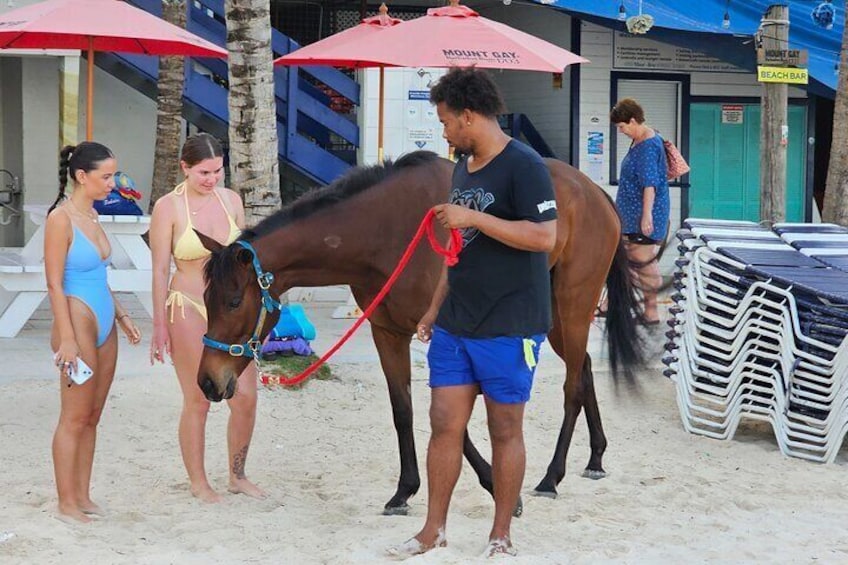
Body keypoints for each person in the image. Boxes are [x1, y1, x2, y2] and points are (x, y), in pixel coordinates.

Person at [389, 67, 557, 559]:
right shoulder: (463, 166)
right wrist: (433, 308)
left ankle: (500, 535)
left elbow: (545, 237)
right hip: (456, 322)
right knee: (444, 422)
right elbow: (458, 247)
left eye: (445, 121)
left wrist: (473, 215)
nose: (442, 131)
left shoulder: (524, 165)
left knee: (505, 429)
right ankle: (432, 530)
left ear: (468, 116)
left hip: (511, 321)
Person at [148, 133, 265, 502]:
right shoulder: (168, 207)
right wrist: (158, 325)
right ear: (184, 168)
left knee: (246, 396)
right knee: (198, 399)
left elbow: (247, 260)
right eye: (203, 172)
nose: (211, 178)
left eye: (217, 171)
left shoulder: (230, 200)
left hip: (230, 310)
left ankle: (237, 474)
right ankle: (198, 482)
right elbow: (158, 270)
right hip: (187, 304)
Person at [45, 142, 142, 523]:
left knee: (93, 415)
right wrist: (66, 337)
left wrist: (121, 314)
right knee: (73, 416)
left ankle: (82, 495)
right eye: (106, 177)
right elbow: (54, 284)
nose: (112, 184)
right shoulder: (60, 219)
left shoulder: (94, 215)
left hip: (102, 314)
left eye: (114, 176)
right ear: (81, 176)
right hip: (76, 318)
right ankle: (65, 501)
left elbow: (99, 276)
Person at [608, 98, 670, 325]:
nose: (621, 131)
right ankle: (615, 303)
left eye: (622, 127)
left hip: (641, 215)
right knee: (628, 259)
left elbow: (649, 185)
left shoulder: (647, 145)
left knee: (643, 261)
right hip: (630, 214)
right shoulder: (639, 139)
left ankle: (651, 311)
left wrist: (646, 215)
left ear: (633, 121)